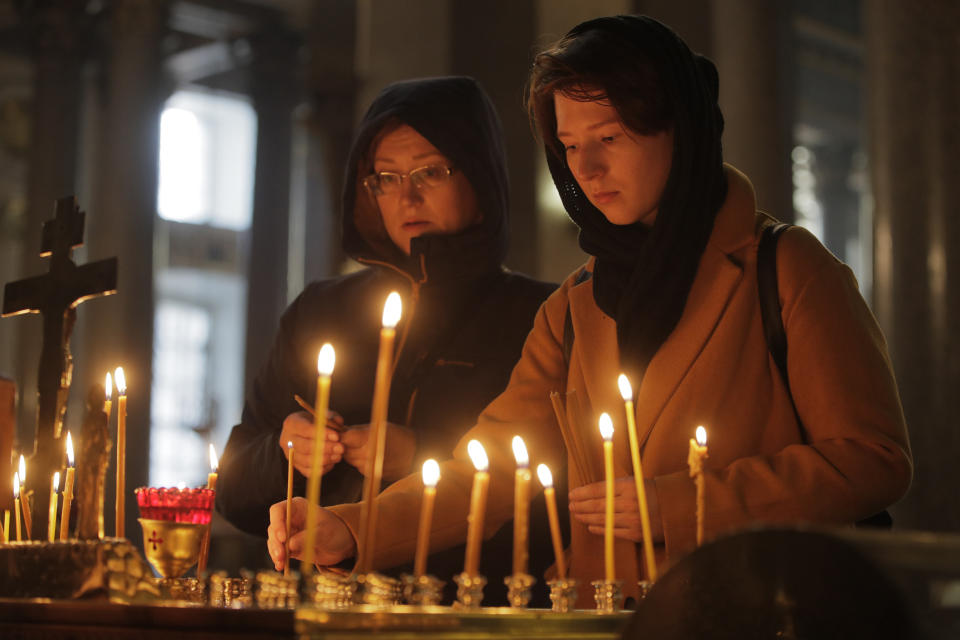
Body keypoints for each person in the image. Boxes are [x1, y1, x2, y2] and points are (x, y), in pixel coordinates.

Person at [271, 16, 912, 608]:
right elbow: (487, 471)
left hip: (753, 608)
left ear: (679, 130)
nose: (589, 168)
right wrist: (348, 530)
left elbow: (870, 458)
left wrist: (684, 504)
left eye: (610, 137)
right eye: (571, 146)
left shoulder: (785, 267)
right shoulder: (575, 305)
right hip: (605, 616)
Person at [217, 76, 557, 601]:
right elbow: (234, 492)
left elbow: (557, 497)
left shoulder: (541, 315)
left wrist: (422, 455)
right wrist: (287, 452)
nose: (408, 195)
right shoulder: (320, 311)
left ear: (482, 179)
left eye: (431, 172)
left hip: (474, 616)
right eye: (386, 178)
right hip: (327, 614)